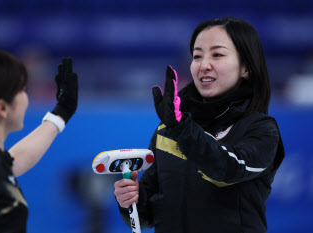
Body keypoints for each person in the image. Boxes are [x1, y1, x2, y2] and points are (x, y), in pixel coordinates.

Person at [114, 17, 285, 233]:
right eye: (197, 56)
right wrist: (130, 201)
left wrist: (181, 127)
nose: (204, 65)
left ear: (246, 68)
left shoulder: (261, 129)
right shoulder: (169, 128)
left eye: (217, 55)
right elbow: (147, 216)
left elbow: (226, 170)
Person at [0, 47, 78, 233]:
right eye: (22, 90)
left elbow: (14, 160)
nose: (26, 97)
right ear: (2, 107)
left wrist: (62, 113)